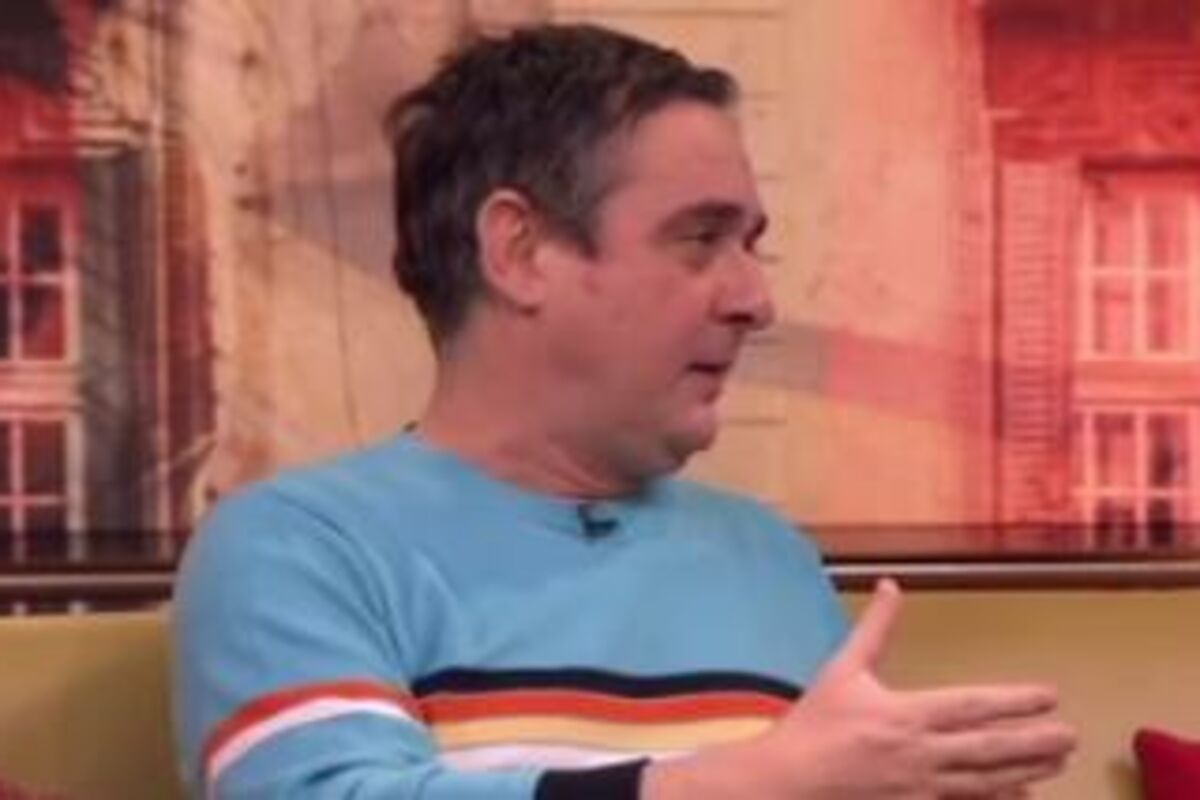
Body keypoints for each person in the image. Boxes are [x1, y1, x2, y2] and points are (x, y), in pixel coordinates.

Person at [172, 23, 1076, 799]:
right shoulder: (300, 546)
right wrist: (751, 783)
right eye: (700, 239)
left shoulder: (770, 559)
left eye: (751, 245)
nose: (756, 300)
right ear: (521, 252)